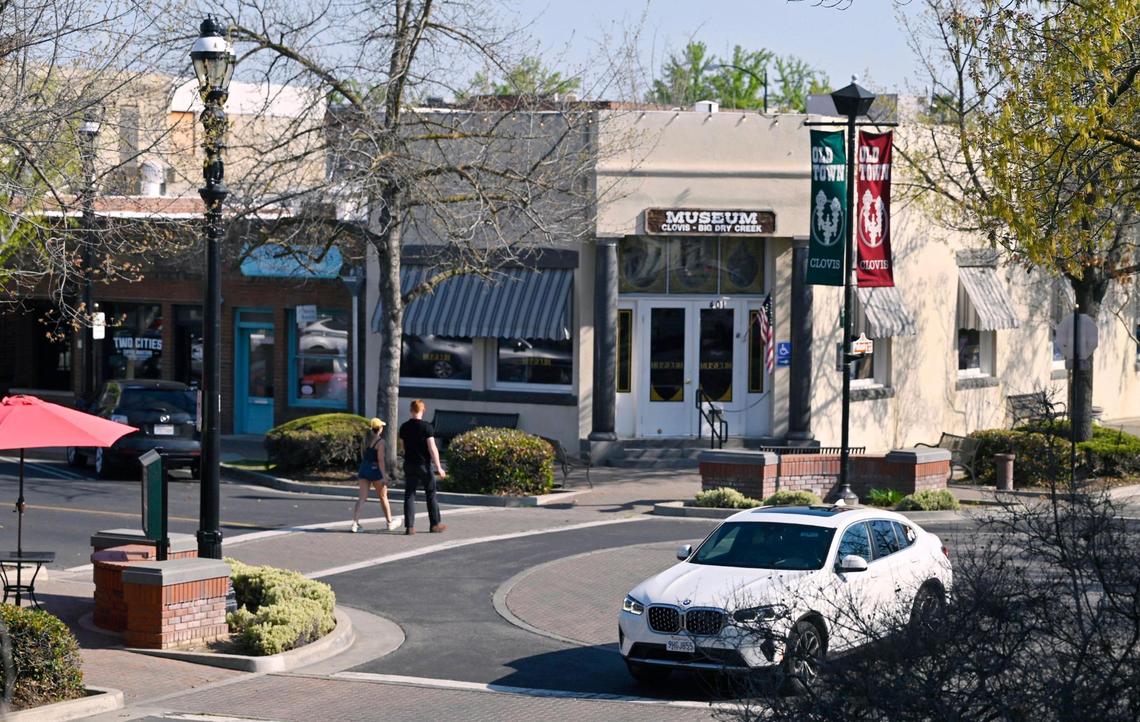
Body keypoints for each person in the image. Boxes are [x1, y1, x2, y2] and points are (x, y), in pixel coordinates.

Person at [398, 399, 447, 535]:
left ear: (411, 410)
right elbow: (432, 448)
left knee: (410, 494)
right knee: (430, 493)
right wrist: (439, 467)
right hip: (424, 464)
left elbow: (403, 447)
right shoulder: (427, 427)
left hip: (409, 463)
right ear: (423, 410)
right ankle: (434, 524)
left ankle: (410, 526)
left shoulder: (404, 427)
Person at [351, 418, 397, 533]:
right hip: (375, 470)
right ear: (380, 429)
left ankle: (355, 524)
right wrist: (384, 476)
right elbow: (380, 460)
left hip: (364, 469)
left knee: (362, 498)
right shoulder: (380, 442)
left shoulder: (366, 440)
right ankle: (389, 522)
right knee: (383, 497)